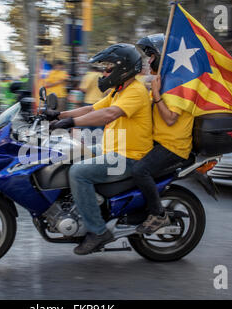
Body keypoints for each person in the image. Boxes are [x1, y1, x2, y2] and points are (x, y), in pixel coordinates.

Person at [44, 44, 153, 255]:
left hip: (128, 156)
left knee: (78, 173)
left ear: (124, 68)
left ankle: (98, 231)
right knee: (70, 152)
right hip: (110, 148)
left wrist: (72, 123)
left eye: (108, 68)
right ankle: (83, 206)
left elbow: (108, 115)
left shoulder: (136, 91)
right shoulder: (119, 91)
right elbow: (92, 108)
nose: (104, 73)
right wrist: (58, 115)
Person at [133, 34, 195, 235]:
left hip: (173, 146)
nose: (148, 60)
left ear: (163, 56)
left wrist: (157, 93)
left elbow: (170, 119)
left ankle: (159, 215)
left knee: (140, 171)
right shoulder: (164, 79)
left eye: (151, 55)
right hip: (157, 141)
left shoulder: (180, 83)